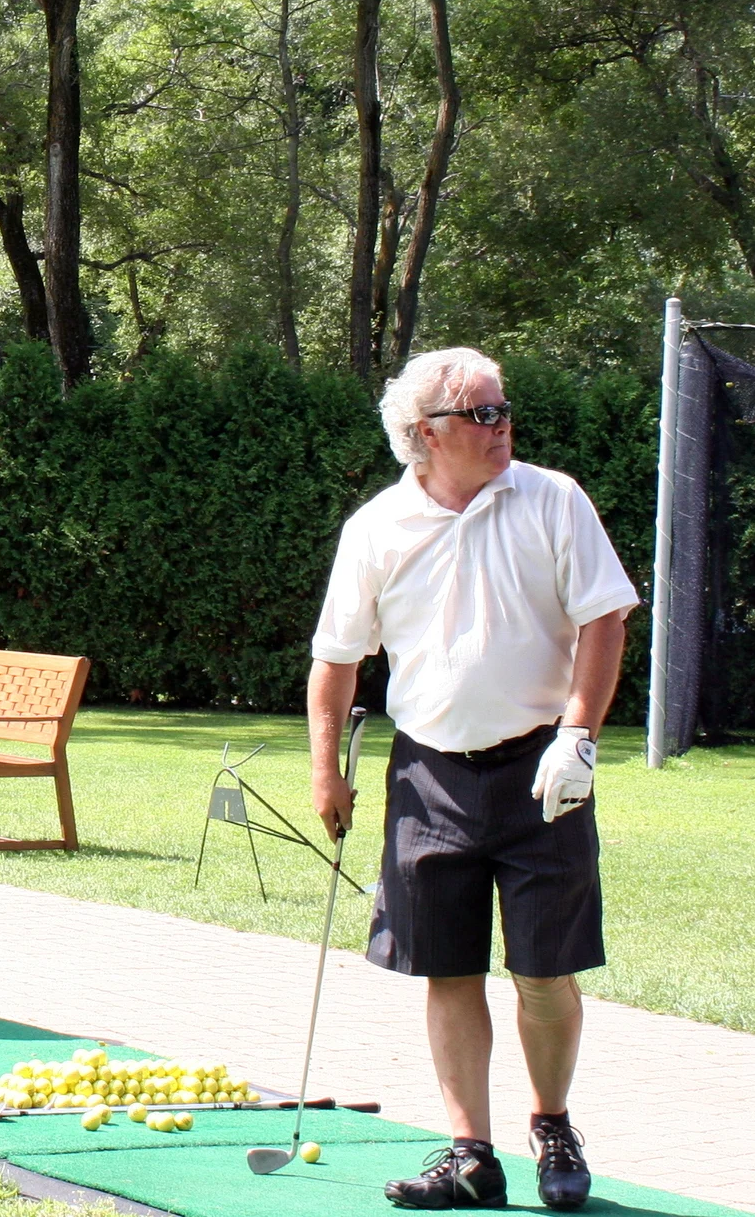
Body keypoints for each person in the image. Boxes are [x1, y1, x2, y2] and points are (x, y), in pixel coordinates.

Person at [308, 348, 637, 1213]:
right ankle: (469, 1154)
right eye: (480, 415)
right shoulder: (377, 528)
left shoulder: (552, 498)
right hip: (428, 775)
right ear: (424, 436)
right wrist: (324, 774)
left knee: (543, 969)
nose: (502, 427)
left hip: (542, 766)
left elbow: (606, 615)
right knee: (446, 969)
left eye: (502, 410)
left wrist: (579, 735)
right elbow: (335, 659)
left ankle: (553, 1125)